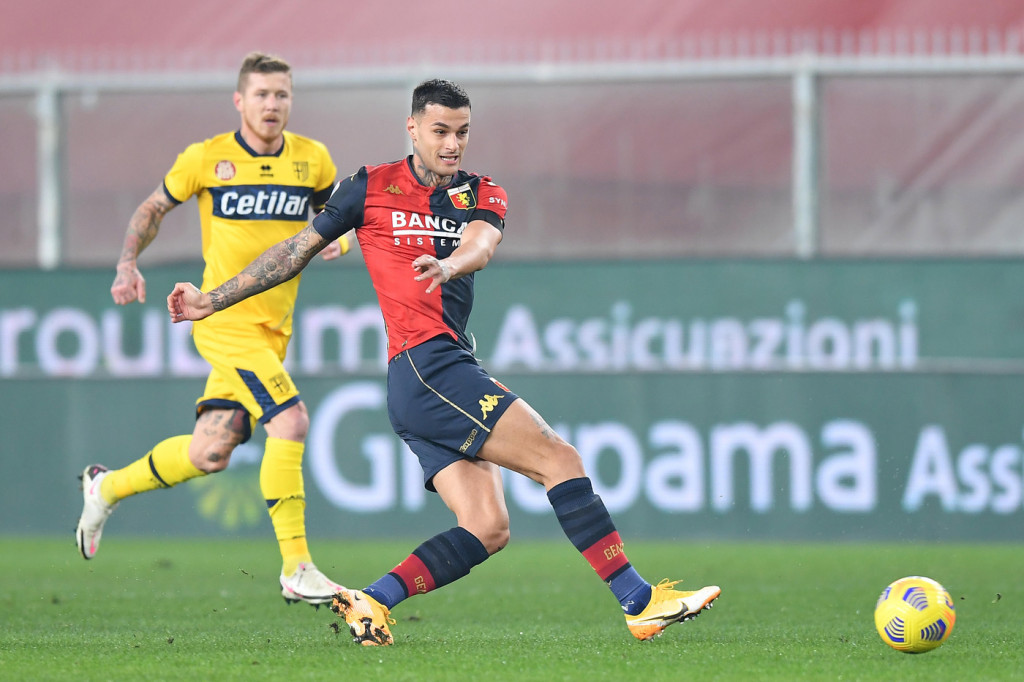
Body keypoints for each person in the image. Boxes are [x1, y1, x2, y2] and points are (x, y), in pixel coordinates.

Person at [166, 78, 720, 644]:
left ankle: (372, 600)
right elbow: (294, 251)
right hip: (425, 367)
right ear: (413, 129)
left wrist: (452, 264)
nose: (452, 144)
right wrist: (213, 300)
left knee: (487, 527)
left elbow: (482, 243)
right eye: (440, 131)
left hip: (434, 372)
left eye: (462, 132)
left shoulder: (482, 192)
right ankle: (638, 601)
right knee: (560, 459)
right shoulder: (367, 187)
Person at [76, 51, 351, 607]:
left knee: (210, 452)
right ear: (239, 101)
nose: (272, 105)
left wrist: (341, 240)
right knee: (291, 420)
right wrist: (127, 263)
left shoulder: (313, 159)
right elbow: (153, 209)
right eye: (261, 94)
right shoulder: (207, 158)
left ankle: (106, 487)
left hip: (274, 330)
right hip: (222, 320)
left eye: (281, 95)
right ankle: (297, 567)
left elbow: (336, 218)